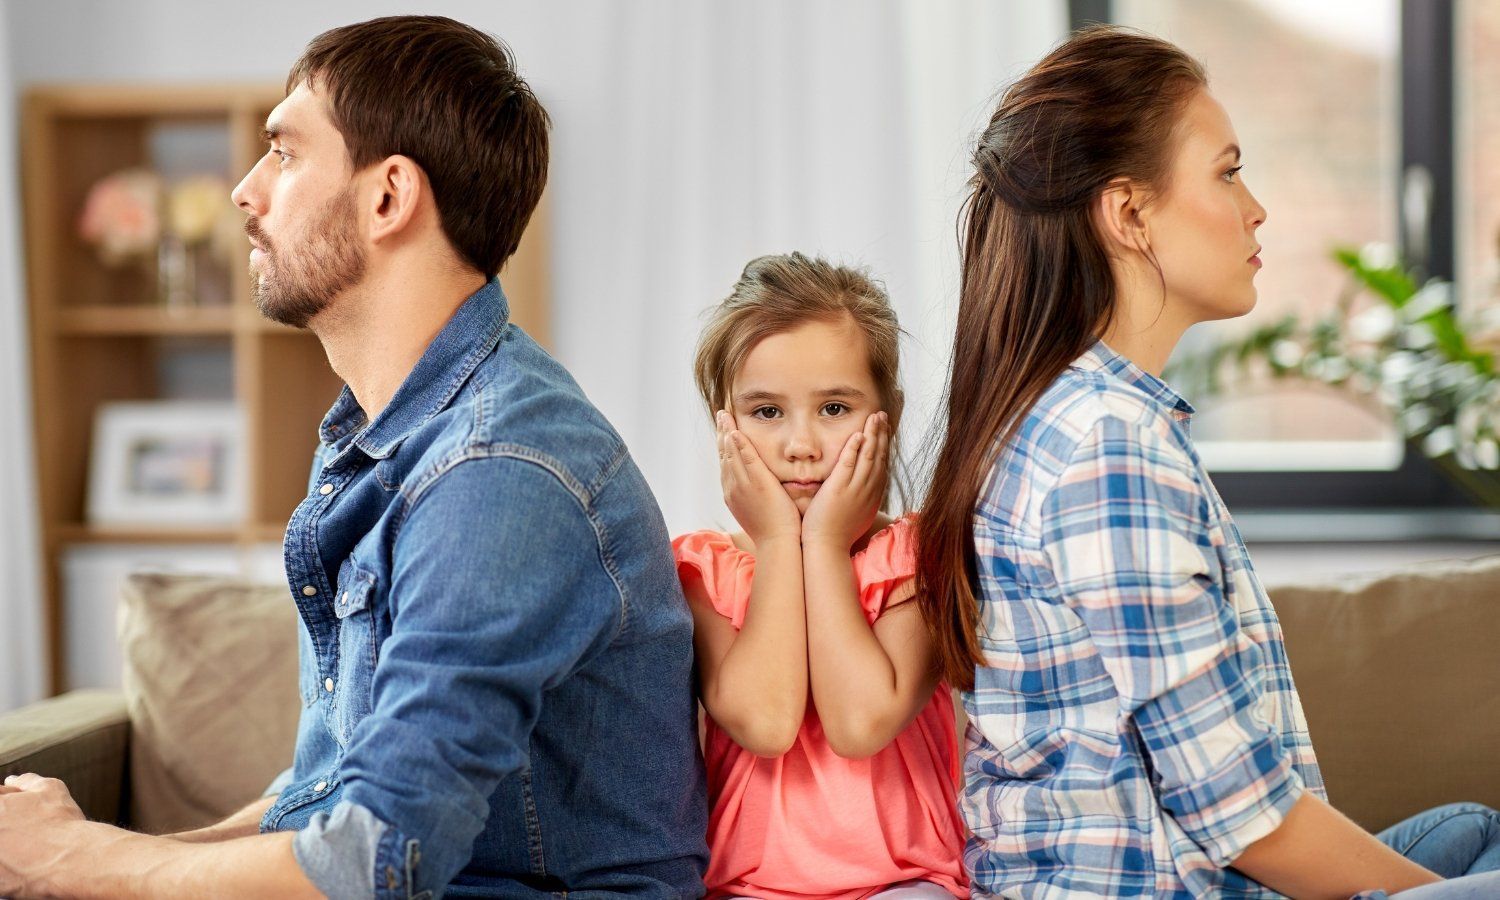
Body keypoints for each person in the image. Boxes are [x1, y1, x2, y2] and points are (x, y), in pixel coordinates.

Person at [0, 15, 707, 898]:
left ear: (388, 198)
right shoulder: (386, 439)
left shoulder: (495, 473)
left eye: (284, 153)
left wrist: (73, 859)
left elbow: (376, 859)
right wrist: (80, 855)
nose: (245, 191)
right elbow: (332, 797)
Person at [913, 25, 1500, 900]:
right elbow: (1246, 821)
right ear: (1129, 215)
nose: (1255, 208)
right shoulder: (1107, 449)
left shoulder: (1071, 417)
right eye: (1228, 172)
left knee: (1474, 832)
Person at [674, 253, 968, 899]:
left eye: (834, 408)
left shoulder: (918, 557)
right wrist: (781, 542)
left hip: (905, 882)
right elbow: (767, 723)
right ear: (724, 422)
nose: (800, 445)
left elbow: (860, 723)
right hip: (746, 889)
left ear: (889, 414)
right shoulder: (704, 571)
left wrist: (827, 547)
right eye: (766, 412)